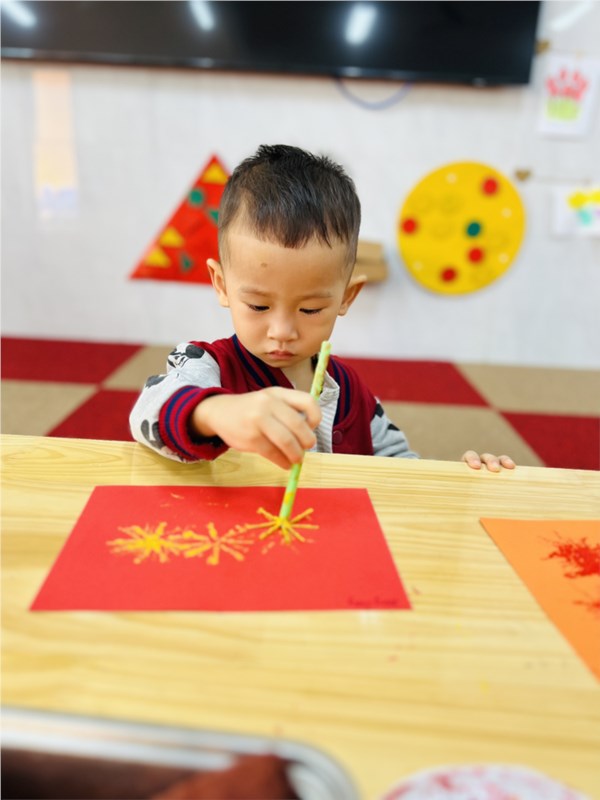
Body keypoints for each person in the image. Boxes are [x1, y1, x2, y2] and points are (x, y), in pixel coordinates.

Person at [130, 144, 515, 474]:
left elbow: (399, 468)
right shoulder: (207, 366)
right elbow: (148, 413)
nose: (282, 331)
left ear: (347, 297)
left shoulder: (349, 391)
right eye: (259, 305)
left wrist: (462, 482)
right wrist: (215, 412)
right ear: (221, 285)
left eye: (311, 309)